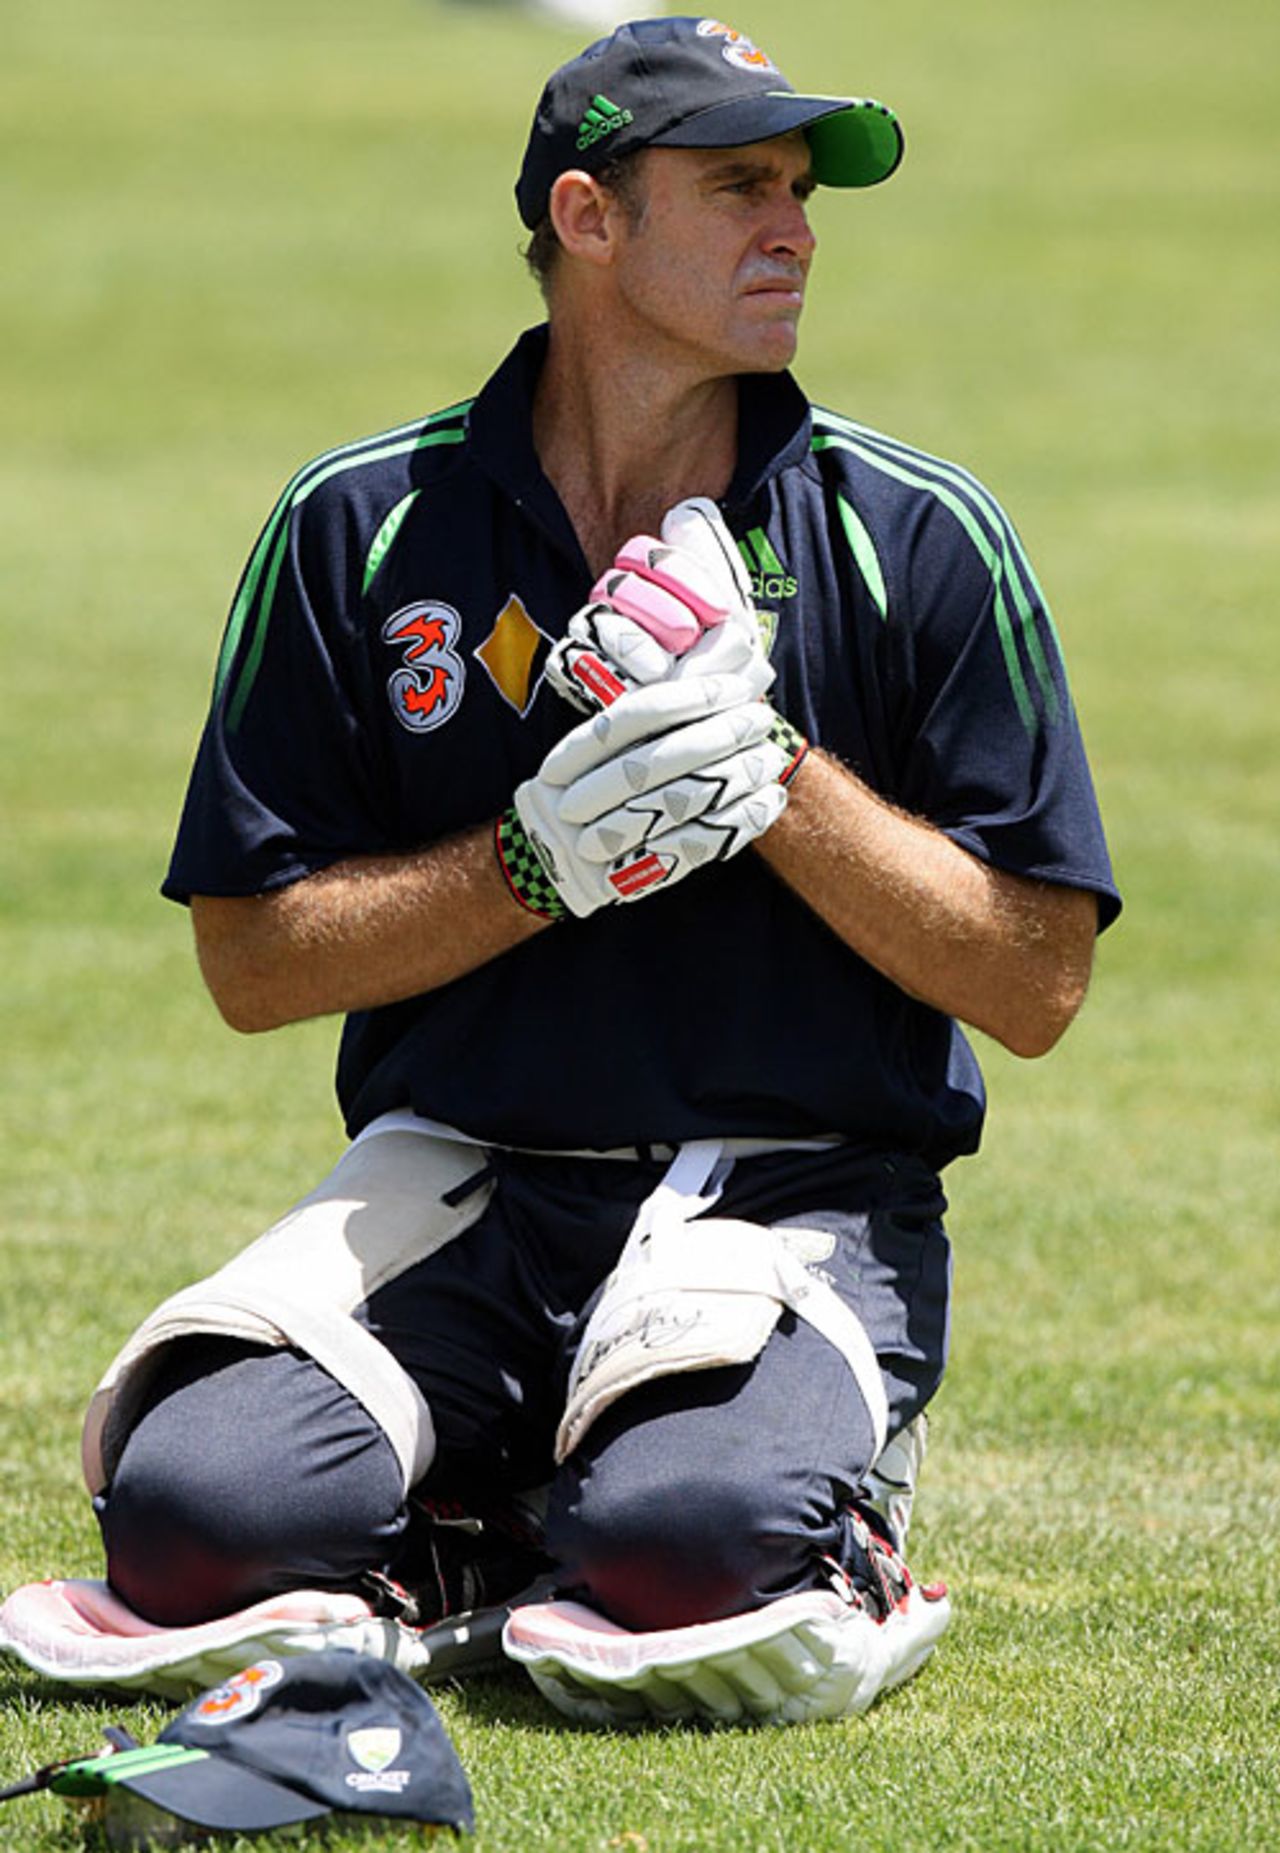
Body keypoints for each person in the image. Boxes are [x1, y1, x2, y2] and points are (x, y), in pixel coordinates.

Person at [82, 16, 1120, 1724]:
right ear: (589, 218)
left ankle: (808, 1499)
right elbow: (248, 961)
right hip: (464, 1183)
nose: (793, 228)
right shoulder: (356, 526)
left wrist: (768, 774)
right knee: (191, 1522)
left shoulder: (920, 533)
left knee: (688, 1549)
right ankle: (480, 1526)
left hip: (800, 1190)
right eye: (738, 188)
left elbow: (1037, 981)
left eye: (800, 191)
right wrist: (532, 863)